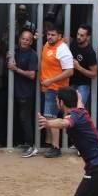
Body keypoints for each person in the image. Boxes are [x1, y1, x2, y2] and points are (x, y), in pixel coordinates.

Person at [29, 26, 74, 159]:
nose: (50, 37)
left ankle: (56, 147)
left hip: (56, 89)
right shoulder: (47, 45)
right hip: (48, 88)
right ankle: (50, 144)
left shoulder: (62, 49)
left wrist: (51, 80)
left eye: (53, 35)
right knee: (49, 117)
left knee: (52, 118)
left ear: (60, 36)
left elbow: (69, 71)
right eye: (48, 34)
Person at [8, 29, 38, 150]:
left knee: (25, 118)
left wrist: (16, 69)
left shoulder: (32, 54)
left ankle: (30, 145)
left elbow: (32, 75)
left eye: (27, 39)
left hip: (26, 92)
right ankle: (23, 142)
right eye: (23, 38)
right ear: (19, 39)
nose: (24, 41)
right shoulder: (15, 52)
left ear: (31, 42)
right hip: (15, 91)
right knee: (17, 117)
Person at [69, 24, 98, 109]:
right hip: (71, 83)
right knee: (68, 110)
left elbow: (94, 74)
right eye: (78, 34)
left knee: (78, 110)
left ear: (88, 37)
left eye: (82, 35)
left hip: (83, 85)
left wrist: (79, 67)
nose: (78, 37)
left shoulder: (90, 52)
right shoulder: (73, 44)